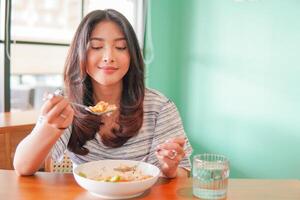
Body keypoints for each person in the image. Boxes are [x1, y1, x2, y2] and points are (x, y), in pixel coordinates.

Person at [13, 9, 192, 178]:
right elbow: (22, 167)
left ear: (132, 55)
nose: (108, 57)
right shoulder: (67, 103)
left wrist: (170, 168)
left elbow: (183, 172)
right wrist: (50, 126)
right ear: (80, 53)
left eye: (121, 47)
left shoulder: (159, 107)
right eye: (97, 46)